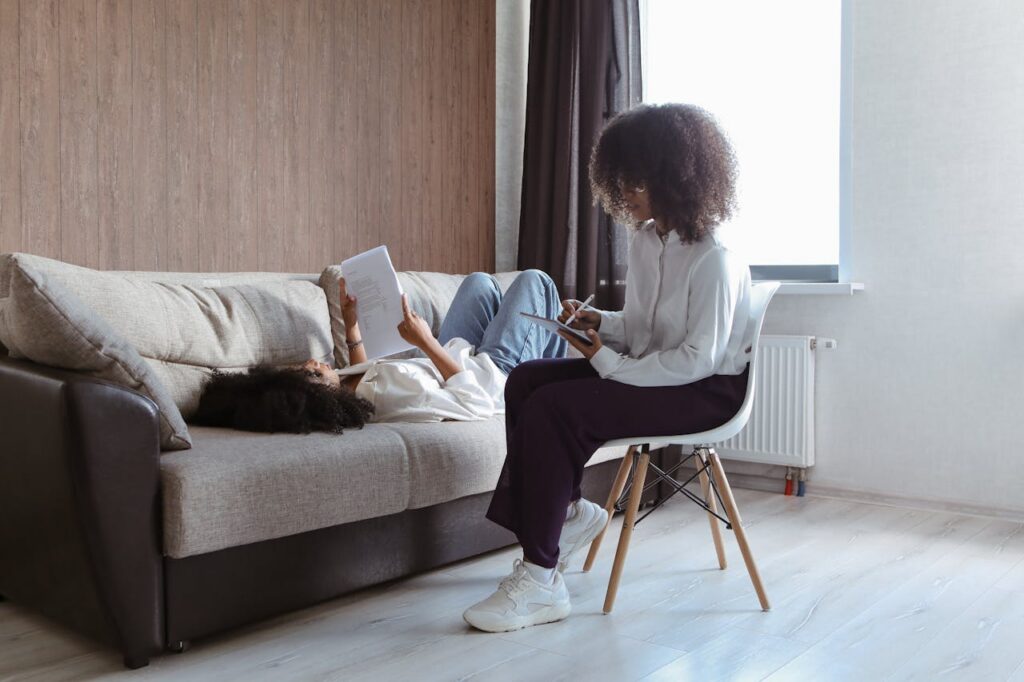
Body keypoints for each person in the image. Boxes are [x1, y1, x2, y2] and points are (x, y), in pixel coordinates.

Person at [462, 103, 753, 633]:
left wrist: (609, 363)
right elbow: (646, 329)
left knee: (555, 407)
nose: (627, 190)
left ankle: (541, 578)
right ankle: (568, 514)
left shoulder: (715, 260)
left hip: (705, 390)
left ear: (673, 175)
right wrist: (602, 323)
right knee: (527, 380)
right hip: (654, 370)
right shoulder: (647, 242)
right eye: (622, 178)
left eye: (637, 178)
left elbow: (697, 359)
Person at [192, 269, 568, 431]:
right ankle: (542, 384)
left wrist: (350, 322)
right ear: (319, 396)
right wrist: (425, 341)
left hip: (458, 353)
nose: (312, 361)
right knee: (536, 282)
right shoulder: (392, 396)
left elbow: (363, 374)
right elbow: (474, 402)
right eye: (310, 372)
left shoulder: (358, 395)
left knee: (480, 284)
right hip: (491, 377)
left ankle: (538, 355)